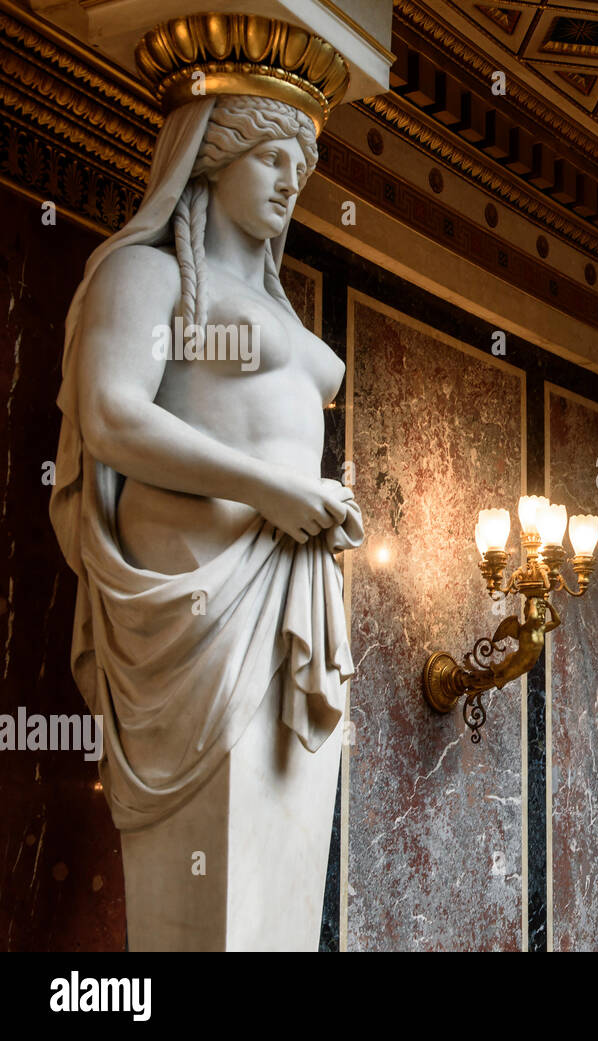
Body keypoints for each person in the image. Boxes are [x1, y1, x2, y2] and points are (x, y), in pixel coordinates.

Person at [50, 93, 363, 950]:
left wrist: (298, 502)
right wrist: (270, 488)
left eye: (302, 169)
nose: (291, 182)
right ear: (212, 159)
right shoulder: (144, 273)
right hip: (200, 597)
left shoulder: (281, 309)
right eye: (271, 159)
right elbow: (112, 413)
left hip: (298, 590)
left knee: (283, 884)